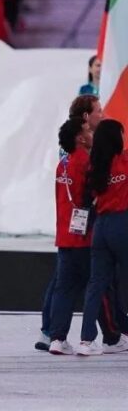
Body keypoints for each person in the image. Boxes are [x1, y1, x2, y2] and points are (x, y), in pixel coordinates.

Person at [46, 117, 128, 354]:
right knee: (103, 288)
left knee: (65, 289)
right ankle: (112, 337)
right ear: (80, 138)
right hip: (89, 233)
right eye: (88, 130)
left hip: (66, 233)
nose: (92, 133)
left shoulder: (62, 164)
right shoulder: (88, 162)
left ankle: (59, 338)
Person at [78, 119, 128, 355]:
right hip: (122, 223)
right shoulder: (125, 160)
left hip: (101, 227)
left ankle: (86, 340)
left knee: (96, 284)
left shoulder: (95, 166)